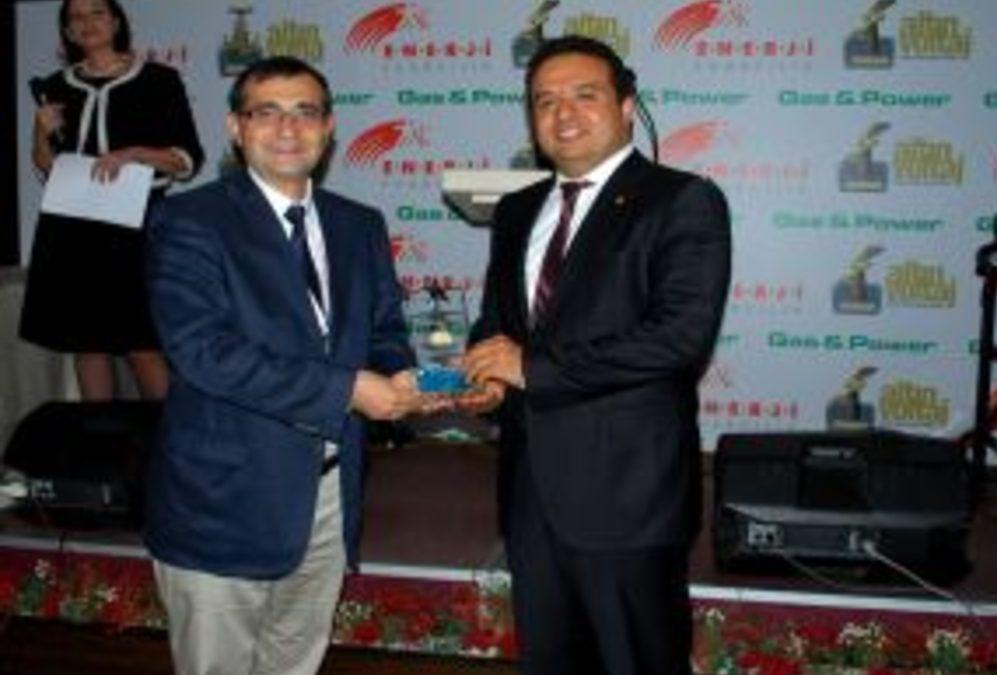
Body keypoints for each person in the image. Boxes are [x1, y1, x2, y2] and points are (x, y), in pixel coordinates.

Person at [144, 56, 434, 675]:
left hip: (329, 493)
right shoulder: (190, 220)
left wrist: (400, 376)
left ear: (328, 127)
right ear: (236, 127)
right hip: (224, 500)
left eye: (305, 112)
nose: (287, 128)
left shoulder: (359, 224)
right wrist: (349, 389)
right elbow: (204, 353)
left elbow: (384, 330)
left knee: (295, 663)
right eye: (266, 112)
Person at [461, 36, 732, 675]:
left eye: (585, 95)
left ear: (626, 106)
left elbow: (678, 337)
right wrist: (488, 379)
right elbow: (500, 323)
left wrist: (531, 369)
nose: (564, 114)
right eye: (544, 101)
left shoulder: (682, 200)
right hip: (530, 495)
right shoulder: (517, 209)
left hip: (629, 499)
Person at [20, 0, 204, 401]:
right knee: (88, 344)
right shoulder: (55, 86)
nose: (87, 23)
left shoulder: (159, 80)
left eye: (97, 13)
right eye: (76, 17)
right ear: (67, 32)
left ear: (117, 21)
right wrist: (39, 132)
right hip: (72, 229)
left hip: (137, 226)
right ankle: (98, 439)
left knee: (143, 343)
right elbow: (48, 167)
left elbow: (187, 159)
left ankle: (171, 435)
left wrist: (134, 153)